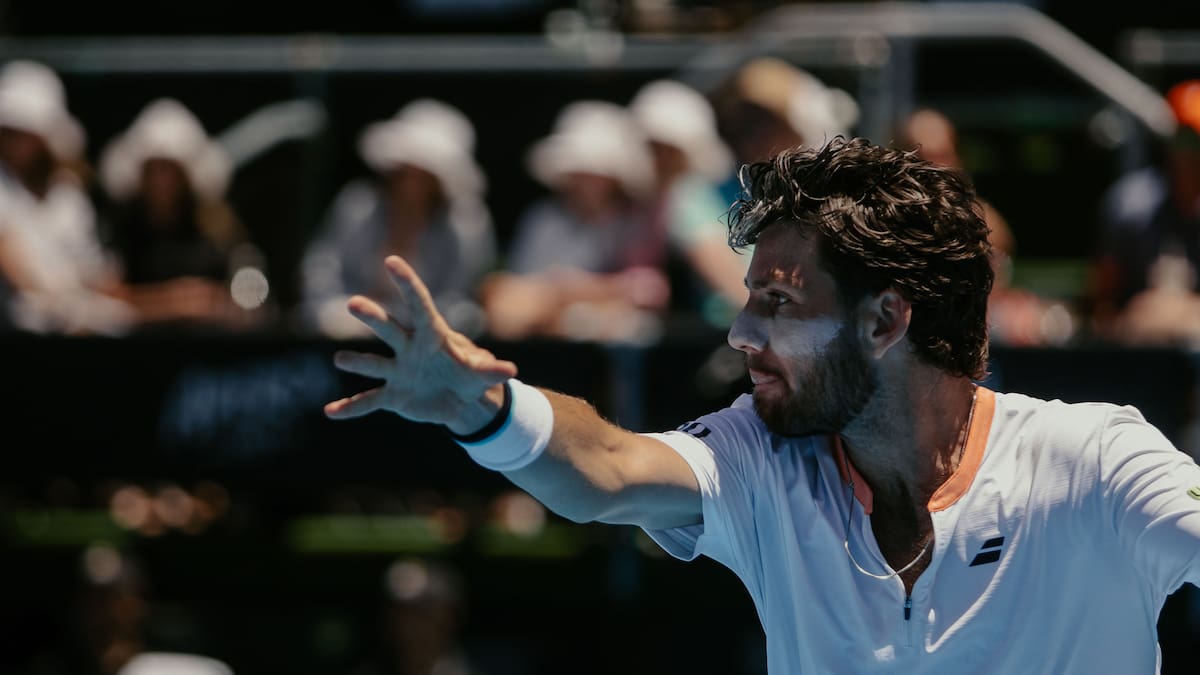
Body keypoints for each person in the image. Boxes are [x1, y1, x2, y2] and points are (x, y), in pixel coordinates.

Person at [324, 137, 1200, 673]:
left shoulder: (1096, 462)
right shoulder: (761, 457)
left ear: (885, 320)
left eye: (778, 302)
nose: (741, 334)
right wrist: (489, 409)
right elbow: (608, 466)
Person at [301, 98, 495, 339]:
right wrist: (332, 310)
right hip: (346, 338)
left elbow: (461, 299)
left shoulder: (468, 224)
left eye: (423, 175)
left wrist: (391, 318)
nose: (410, 184)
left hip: (428, 347)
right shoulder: (358, 205)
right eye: (405, 172)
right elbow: (321, 268)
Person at [479, 100, 667, 343]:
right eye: (580, 171)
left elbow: (649, 293)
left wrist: (566, 291)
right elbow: (512, 306)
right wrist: (595, 291)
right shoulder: (542, 219)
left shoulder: (632, 223)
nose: (587, 181)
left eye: (596, 173)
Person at [98, 97, 268, 333]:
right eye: (153, 169)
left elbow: (247, 298)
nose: (161, 181)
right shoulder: (123, 229)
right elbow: (105, 298)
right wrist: (177, 302)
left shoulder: (215, 229)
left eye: (168, 169)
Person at [897, 106, 1062, 347]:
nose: (933, 167)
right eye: (921, 157)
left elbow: (995, 294)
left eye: (942, 155)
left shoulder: (984, 223)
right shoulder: (881, 227)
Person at [0, 59, 135, 335]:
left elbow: (96, 277)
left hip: (76, 331)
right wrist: (73, 307)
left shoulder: (68, 196)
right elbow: (19, 273)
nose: (13, 141)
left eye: (22, 132)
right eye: (8, 132)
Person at [626, 78, 748, 327]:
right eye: (653, 146)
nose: (658, 157)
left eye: (667, 148)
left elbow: (731, 279)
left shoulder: (685, 196)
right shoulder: (672, 196)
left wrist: (763, 322)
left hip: (728, 329)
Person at [1089, 78, 1200, 346]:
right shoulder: (1131, 204)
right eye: (1186, 141)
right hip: (1137, 349)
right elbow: (1101, 303)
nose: (1192, 155)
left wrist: (1182, 312)